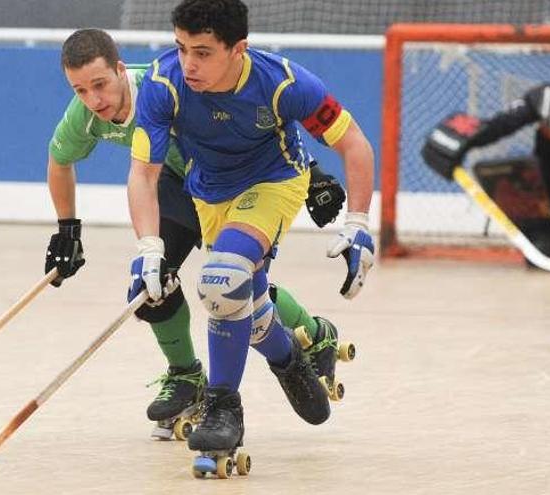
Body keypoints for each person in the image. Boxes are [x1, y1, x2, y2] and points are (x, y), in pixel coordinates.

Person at [44, 28, 349, 439]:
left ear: (120, 70)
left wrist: (312, 173)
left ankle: (314, 335)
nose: (94, 101)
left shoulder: (163, 85)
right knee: (150, 288)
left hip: (229, 181)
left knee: (232, 286)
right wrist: (68, 228)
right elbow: (59, 160)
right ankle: (187, 377)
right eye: (80, 90)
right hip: (173, 184)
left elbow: (251, 122)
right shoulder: (84, 115)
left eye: (100, 85)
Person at [126, 0, 375, 461]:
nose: (188, 63)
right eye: (181, 48)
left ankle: (223, 410)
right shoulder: (163, 85)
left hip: (274, 181)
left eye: (202, 52)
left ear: (238, 49)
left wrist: (358, 224)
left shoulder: (284, 83)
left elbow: (354, 142)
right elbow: (144, 173)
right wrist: (149, 246)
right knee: (248, 306)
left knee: (220, 281)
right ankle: (288, 359)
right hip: (209, 193)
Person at [422, 82, 550, 259]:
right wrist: (462, 140)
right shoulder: (547, 98)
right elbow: (501, 124)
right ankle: (539, 232)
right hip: (549, 180)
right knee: (537, 238)